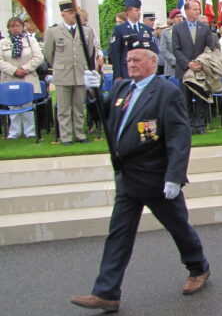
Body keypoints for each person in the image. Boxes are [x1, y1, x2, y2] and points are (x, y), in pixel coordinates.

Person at [73, 38, 210, 312]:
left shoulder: (166, 92)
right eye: (129, 60)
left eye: (137, 59)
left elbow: (179, 137)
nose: (131, 64)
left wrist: (175, 176)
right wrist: (93, 93)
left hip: (156, 177)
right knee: (118, 235)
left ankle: (198, 267)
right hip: (127, 176)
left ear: (152, 62)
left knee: (178, 226)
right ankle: (107, 292)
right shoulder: (123, 87)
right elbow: (103, 117)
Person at [43, 0, 98, 145]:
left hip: (80, 73)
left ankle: (80, 134)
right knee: (63, 108)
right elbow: (48, 53)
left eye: (75, 11)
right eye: (70, 12)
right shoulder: (53, 31)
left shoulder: (86, 30)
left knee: (79, 107)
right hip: (63, 74)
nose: (74, 14)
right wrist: (59, 65)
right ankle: (66, 136)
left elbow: (90, 51)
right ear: (63, 14)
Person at [172, 0, 218, 134]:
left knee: (200, 98)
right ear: (187, 11)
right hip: (185, 70)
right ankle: (189, 126)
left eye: (199, 9)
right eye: (195, 9)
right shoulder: (177, 28)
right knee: (185, 100)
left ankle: (200, 126)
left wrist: (201, 62)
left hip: (201, 69)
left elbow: (210, 47)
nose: (198, 11)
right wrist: (188, 63)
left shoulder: (204, 27)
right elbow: (176, 49)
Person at [0, 17, 44, 138]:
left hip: (27, 76)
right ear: (8, 28)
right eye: (12, 26)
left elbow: (38, 57)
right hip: (10, 78)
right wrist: (14, 70)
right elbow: (0, 61)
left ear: (22, 27)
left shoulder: (31, 40)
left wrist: (25, 69)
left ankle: (30, 132)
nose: (15, 29)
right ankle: (14, 132)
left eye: (18, 26)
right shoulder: (3, 43)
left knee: (27, 106)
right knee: (13, 106)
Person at [109, 0, 158, 81]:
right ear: (128, 12)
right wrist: (117, 74)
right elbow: (115, 53)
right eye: (136, 10)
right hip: (126, 71)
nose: (139, 13)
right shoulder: (120, 29)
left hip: (144, 70)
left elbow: (152, 50)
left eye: (139, 10)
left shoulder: (146, 29)